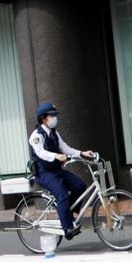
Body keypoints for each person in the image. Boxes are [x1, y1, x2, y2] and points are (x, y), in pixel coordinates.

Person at [28, 102, 94, 240]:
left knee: (79, 186)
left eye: (54, 115)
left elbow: (65, 148)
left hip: (55, 169)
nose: (54, 118)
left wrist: (82, 153)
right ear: (43, 118)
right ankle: (67, 228)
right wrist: (56, 156)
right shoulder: (36, 136)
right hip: (43, 173)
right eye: (52, 115)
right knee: (62, 195)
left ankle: (67, 214)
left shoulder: (54, 132)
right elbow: (41, 153)